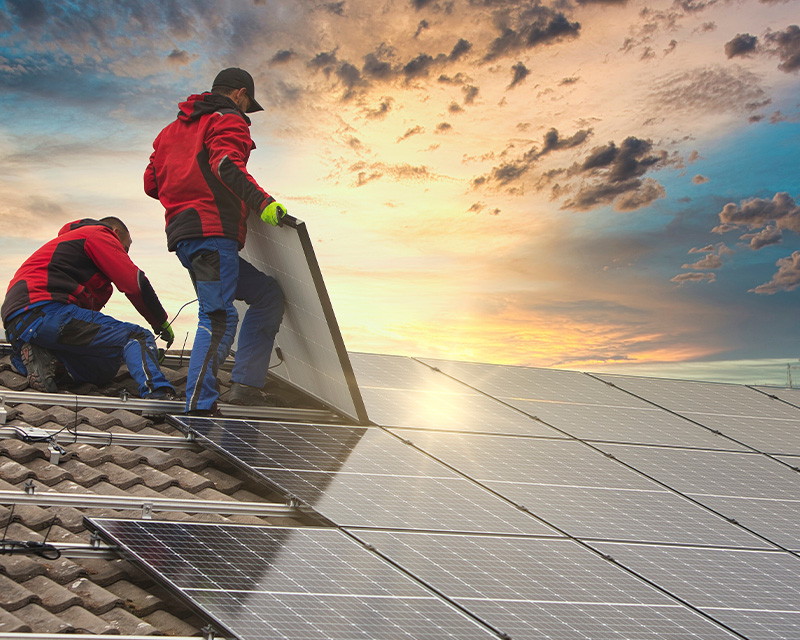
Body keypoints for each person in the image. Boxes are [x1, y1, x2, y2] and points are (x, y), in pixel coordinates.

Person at [144, 67, 286, 416]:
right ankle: (199, 404)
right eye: (247, 103)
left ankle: (246, 385)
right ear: (240, 94)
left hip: (185, 237)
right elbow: (225, 164)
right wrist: (263, 204)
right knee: (219, 317)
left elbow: (151, 183)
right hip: (212, 233)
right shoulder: (228, 118)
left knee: (267, 294)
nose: (246, 110)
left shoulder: (169, 131)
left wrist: (186, 183)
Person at [1, 217, 176, 399]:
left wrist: (143, 357)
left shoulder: (70, 250)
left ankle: (49, 363)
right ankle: (157, 393)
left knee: (104, 369)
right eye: (125, 247)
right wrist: (160, 322)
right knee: (137, 337)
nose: (125, 253)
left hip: (19, 325)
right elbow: (135, 284)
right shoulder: (98, 234)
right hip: (45, 310)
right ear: (115, 232)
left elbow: (87, 329)